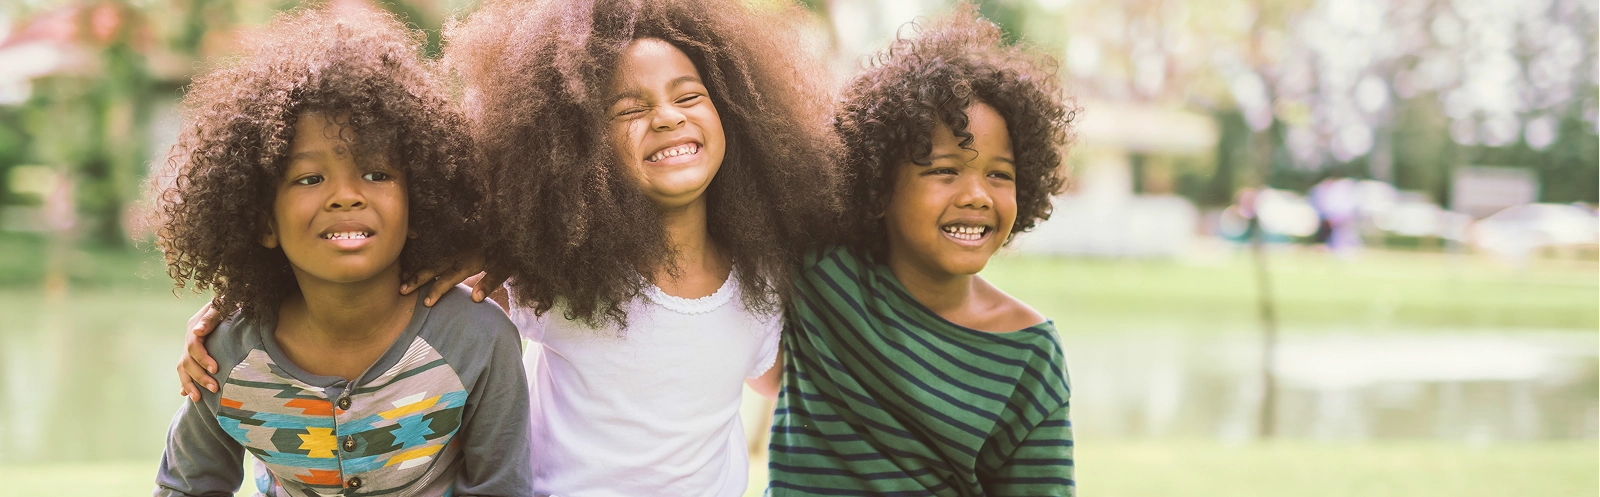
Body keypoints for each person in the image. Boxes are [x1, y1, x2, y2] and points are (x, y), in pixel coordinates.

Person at [177, 0, 842, 495]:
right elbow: (368, 279)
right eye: (628, 108)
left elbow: (770, 376)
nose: (666, 117)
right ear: (580, 144)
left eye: (688, 96)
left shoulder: (761, 284)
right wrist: (237, 305)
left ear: (740, 114)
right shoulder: (555, 275)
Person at [150, 7, 529, 496]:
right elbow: (187, 485)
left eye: (377, 174)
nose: (346, 195)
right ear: (264, 221)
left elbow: (502, 487)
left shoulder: (478, 340)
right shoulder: (226, 354)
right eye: (310, 178)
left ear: (419, 204)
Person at [767, 7, 1078, 496]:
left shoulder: (1028, 355)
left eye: (1000, 174)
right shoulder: (826, 272)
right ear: (879, 187)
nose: (977, 194)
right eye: (945, 170)